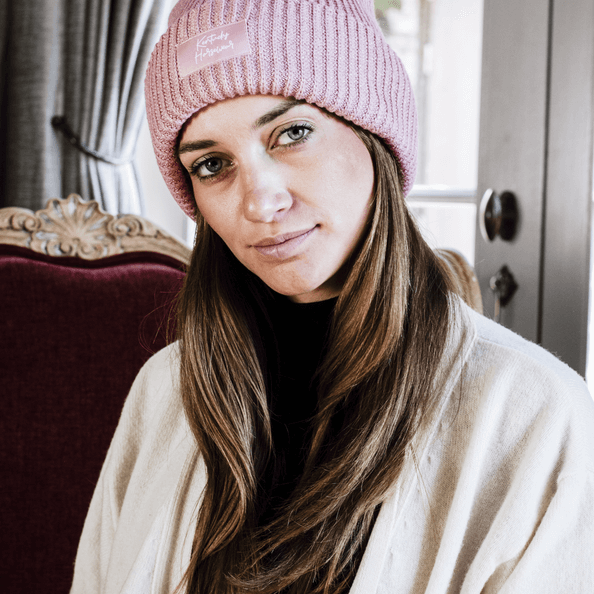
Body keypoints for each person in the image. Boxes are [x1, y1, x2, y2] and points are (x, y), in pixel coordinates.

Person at [70, 0, 594, 592]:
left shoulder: (537, 414)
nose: (260, 201)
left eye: (292, 133)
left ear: (375, 134)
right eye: (212, 164)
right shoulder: (164, 390)